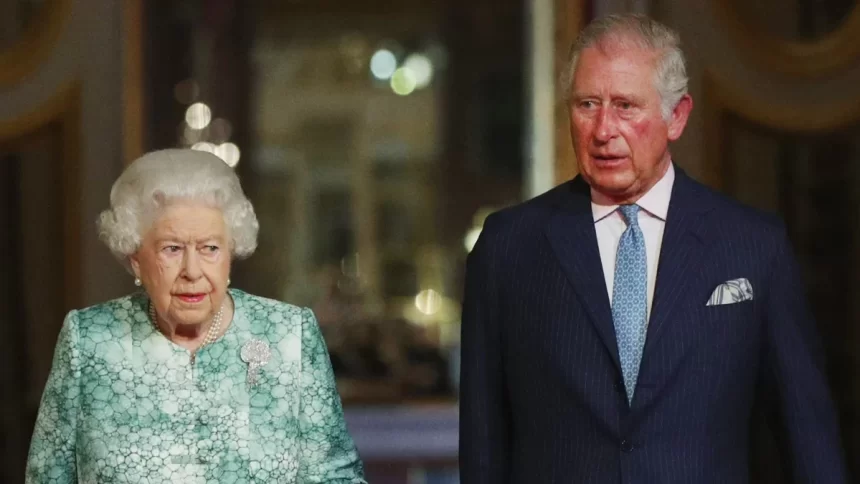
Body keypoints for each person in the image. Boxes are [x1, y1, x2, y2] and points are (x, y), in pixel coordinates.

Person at [459, 13, 847, 483]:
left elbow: (807, 436)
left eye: (625, 106)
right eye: (587, 104)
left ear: (677, 116)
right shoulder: (507, 248)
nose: (603, 130)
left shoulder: (752, 246)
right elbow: (483, 448)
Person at [26, 149, 366, 483]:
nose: (192, 271)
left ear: (230, 253)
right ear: (135, 260)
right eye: (172, 249)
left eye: (210, 248)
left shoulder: (289, 335)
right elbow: (47, 477)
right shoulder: (89, 340)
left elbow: (334, 477)